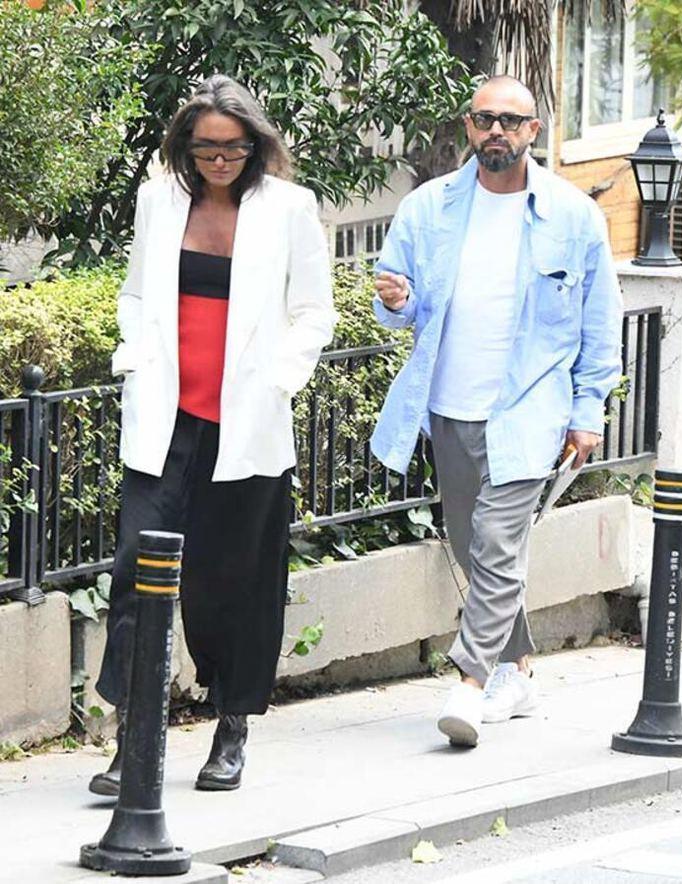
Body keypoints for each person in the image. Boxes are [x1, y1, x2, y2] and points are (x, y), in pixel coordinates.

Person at [90, 74, 335, 794]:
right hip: (164, 425)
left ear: (255, 146)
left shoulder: (289, 207)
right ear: (185, 147)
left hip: (247, 430)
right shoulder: (159, 201)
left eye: (232, 149)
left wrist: (279, 378)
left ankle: (231, 727)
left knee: (232, 584)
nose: (219, 161)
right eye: (205, 149)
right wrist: (134, 355)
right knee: (136, 576)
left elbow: (313, 312)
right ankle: (135, 739)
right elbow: (136, 292)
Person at [371, 75, 622, 747]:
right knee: (472, 545)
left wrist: (587, 410)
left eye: (510, 121)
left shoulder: (573, 215)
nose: (496, 131)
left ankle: (470, 681)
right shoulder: (428, 207)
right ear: (469, 126)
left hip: (529, 409)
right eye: (484, 119)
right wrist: (396, 301)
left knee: (499, 542)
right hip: (449, 408)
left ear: (533, 131)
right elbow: (396, 300)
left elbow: (600, 326)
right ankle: (518, 671)